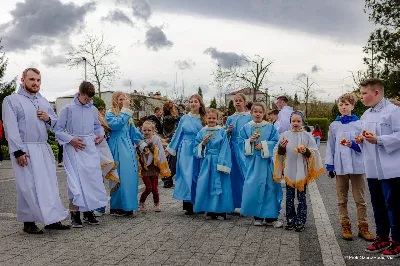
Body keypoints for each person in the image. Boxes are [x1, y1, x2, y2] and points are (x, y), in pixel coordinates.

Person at [2, 68, 69, 234]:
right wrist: (18, 151)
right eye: (32, 79)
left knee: (49, 185)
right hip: (25, 149)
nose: (35, 83)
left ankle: (52, 219)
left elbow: (56, 123)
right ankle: (28, 221)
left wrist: (47, 118)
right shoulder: (12, 100)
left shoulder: (43, 101)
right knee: (28, 185)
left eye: (38, 80)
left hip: (42, 147)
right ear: (23, 80)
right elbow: (11, 127)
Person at [54, 81, 108, 227]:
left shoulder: (92, 109)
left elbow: (98, 126)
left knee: (91, 180)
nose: (88, 102)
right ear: (79, 94)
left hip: (90, 148)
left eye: (90, 100)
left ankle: (88, 211)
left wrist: (101, 134)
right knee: (75, 181)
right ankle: (75, 214)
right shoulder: (68, 109)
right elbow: (58, 130)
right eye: (86, 99)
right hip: (74, 148)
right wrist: (71, 139)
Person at [357, 78, 400, 258]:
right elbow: (365, 138)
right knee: (378, 204)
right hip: (373, 168)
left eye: (364, 93)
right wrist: (359, 140)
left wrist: (380, 140)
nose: (361, 97)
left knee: (394, 205)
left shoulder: (394, 111)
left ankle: (397, 242)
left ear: (376, 93)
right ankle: (382, 237)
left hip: (391, 168)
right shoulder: (366, 115)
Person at [325, 93, 374, 241]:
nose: (344, 107)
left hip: (357, 166)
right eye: (341, 105)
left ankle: (363, 227)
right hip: (340, 167)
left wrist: (353, 144)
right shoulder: (334, 125)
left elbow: (365, 145)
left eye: (347, 104)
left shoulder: (360, 124)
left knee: (360, 199)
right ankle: (345, 226)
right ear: (338, 107)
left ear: (352, 106)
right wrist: (329, 165)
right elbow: (331, 146)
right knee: (341, 199)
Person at [273, 111, 324, 232]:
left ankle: (301, 219)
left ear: (302, 122)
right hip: (289, 169)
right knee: (289, 197)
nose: (295, 123)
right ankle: (290, 219)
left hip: (302, 170)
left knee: (302, 197)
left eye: (298, 121)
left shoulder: (307, 135)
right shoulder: (285, 134)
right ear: (290, 122)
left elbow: (315, 151)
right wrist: (281, 147)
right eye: (293, 121)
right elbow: (277, 151)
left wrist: (306, 151)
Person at [239, 103, 281, 227]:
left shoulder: (270, 127)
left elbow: (275, 142)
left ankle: (271, 218)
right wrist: (249, 142)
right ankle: (257, 216)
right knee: (255, 188)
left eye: (260, 112)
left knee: (270, 188)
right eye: (255, 111)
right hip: (254, 162)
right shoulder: (246, 128)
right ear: (251, 113)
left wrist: (264, 144)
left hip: (267, 163)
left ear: (264, 113)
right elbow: (240, 143)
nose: (257, 114)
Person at [106, 92, 144, 216]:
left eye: (124, 99)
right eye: (120, 99)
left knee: (130, 177)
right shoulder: (110, 113)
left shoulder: (128, 116)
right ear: (115, 100)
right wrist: (125, 110)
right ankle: (116, 207)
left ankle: (128, 206)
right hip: (117, 147)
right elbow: (116, 125)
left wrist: (143, 145)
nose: (123, 101)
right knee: (119, 177)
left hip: (128, 149)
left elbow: (133, 133)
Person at [166, 94, 205, 215]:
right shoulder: (184, 118)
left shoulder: (204, 118)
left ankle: (199, 203)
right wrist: (171, 148)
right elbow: (178, 134)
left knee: (198, 174)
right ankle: (188, 204)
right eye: (191, 101)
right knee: (186, 174)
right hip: (186, 149)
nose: (193, 104)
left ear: (200, 104)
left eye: (196, 102)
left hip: (200, 148)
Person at [194, 108, 233, 220]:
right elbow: (195, 148)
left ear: (218, 119)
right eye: (209, 118)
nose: (211, 120)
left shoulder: (221, 131)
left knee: (221, 184)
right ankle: (210, 209)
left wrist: (221, 163)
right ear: (206, 118)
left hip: (219, 161)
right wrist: (203, 143)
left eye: (213, 118)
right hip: (207, 161)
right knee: (207, 184)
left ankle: (221, 210)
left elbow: (225, 148)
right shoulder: (202, 132)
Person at [225, 93, 252, 211]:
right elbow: (225, 134)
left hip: (245, 148)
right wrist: (228, 131)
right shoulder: (230, 118)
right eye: (235, 100)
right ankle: (234, 203)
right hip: (232, 149)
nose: (237, 102)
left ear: (244, 102)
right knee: (233, 176)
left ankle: (248, 203)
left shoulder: (249, 117)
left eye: (240, 100)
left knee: (246, 174)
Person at [137, 120, 171, 212]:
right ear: (141, 131)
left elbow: (160, 152)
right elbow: (136, 152)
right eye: (144, 130)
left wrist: (153, 148)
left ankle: (157, 204)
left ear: (153, 131)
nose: (146, 132)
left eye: (149, 130)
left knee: (155, 188)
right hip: (145, 168)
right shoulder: (139, 139)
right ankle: (141, 202)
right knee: (149, 187)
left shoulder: (156, 139)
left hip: (154, 167)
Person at [93, 108, 120, 217]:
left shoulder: (103, 128)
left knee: (98, 182)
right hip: (90, 156)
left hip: (102, 156)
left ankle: (100, 207)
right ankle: (93, 206)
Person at [161, 101, 182, 188]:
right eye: (173, 108)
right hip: (170, 140)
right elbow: (181, 116)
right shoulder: (168, 117)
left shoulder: (167, 117)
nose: (174, 110)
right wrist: (179, 107)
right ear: (170, 109)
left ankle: (168, 181)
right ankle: (167, 181)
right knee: (171, 162)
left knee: (172, 161)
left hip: (171, 140)